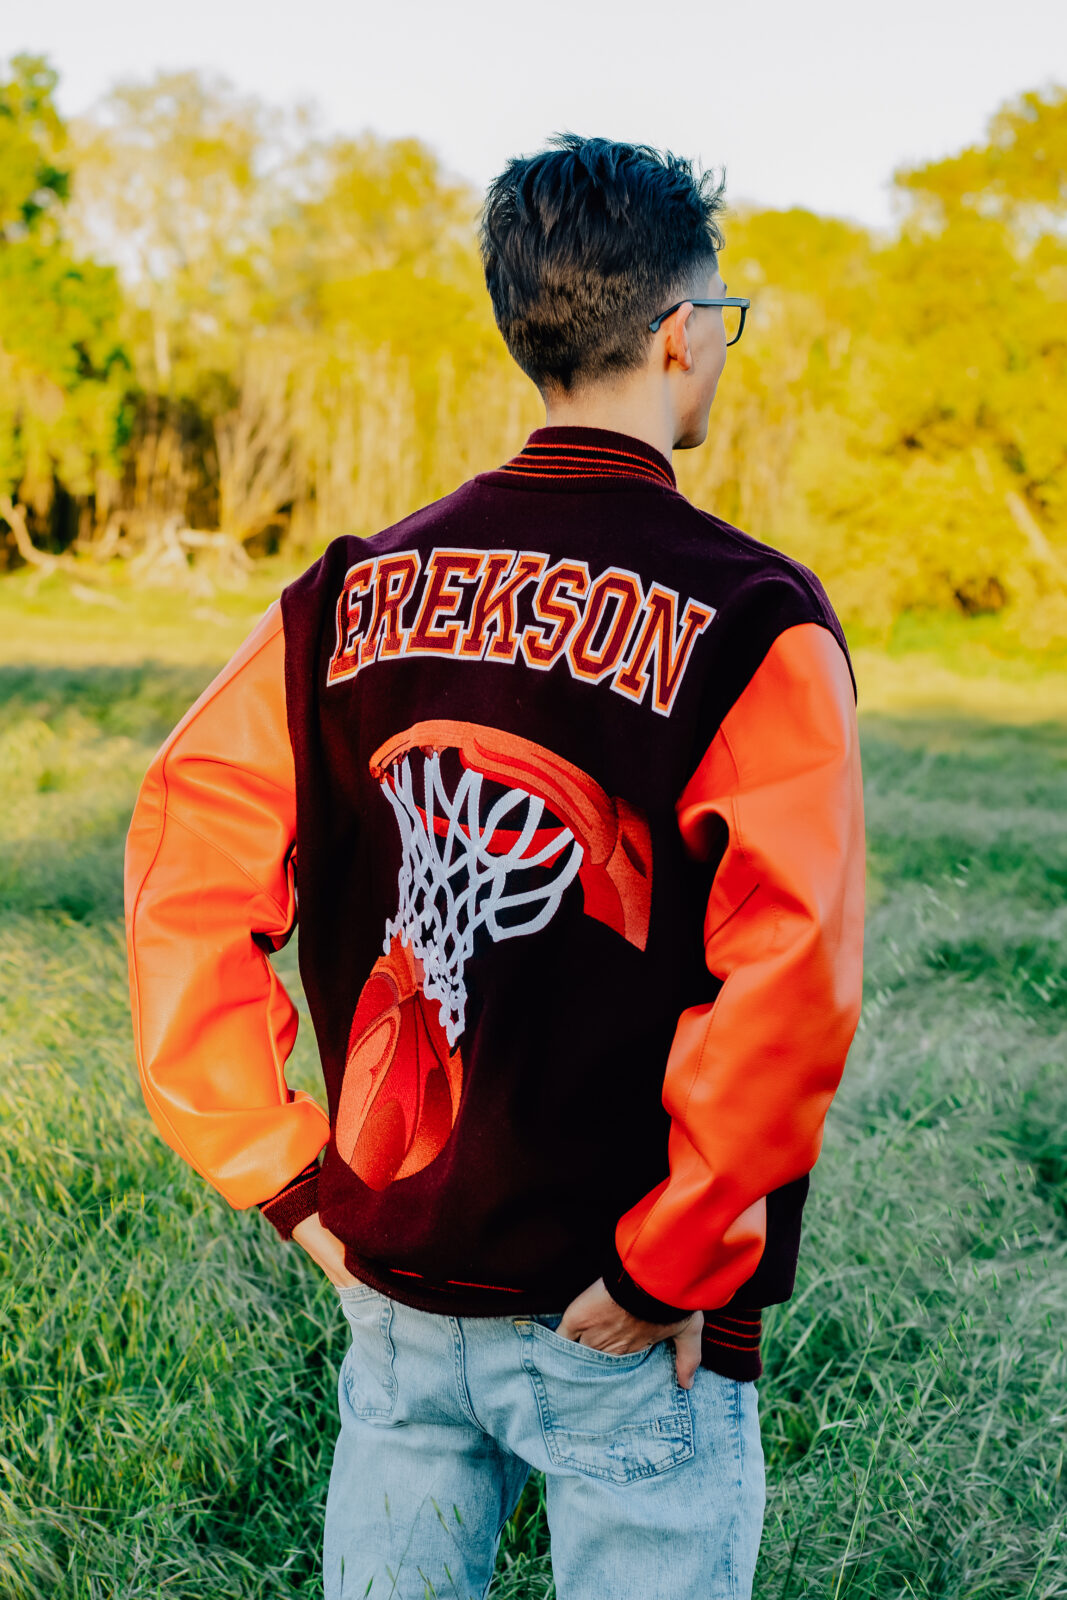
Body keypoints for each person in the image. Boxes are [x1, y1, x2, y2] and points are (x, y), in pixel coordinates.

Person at [124, 133, 866, 1600]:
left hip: (399, 1267)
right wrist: (676, 1257)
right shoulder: (753, 614)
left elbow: (183, 871)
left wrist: (287, 1176)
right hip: (624, 1309)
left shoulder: (343, 593)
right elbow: (791, 979)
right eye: (719, 320)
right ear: (675, 337)